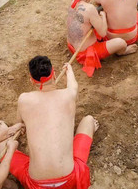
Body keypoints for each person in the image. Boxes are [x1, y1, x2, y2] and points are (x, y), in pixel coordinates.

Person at [9, 56, 97, 189]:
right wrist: (69, 71)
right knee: (88, 120)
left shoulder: (24, 99)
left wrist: (8, 131)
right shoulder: (69, 95)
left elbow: (20, 126)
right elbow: (73, 86)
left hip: (36, 184)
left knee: (1, 147)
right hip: (70, 179)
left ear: (31, 80)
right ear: (54, 74)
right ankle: (91, 127)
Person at [67, 0, 137, 78]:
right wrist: (103, 16)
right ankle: (122, 52)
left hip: (71, 45)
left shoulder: (73, 2)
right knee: (121, 42)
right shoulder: (90, 9)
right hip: (84, 52)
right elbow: (103, 33)